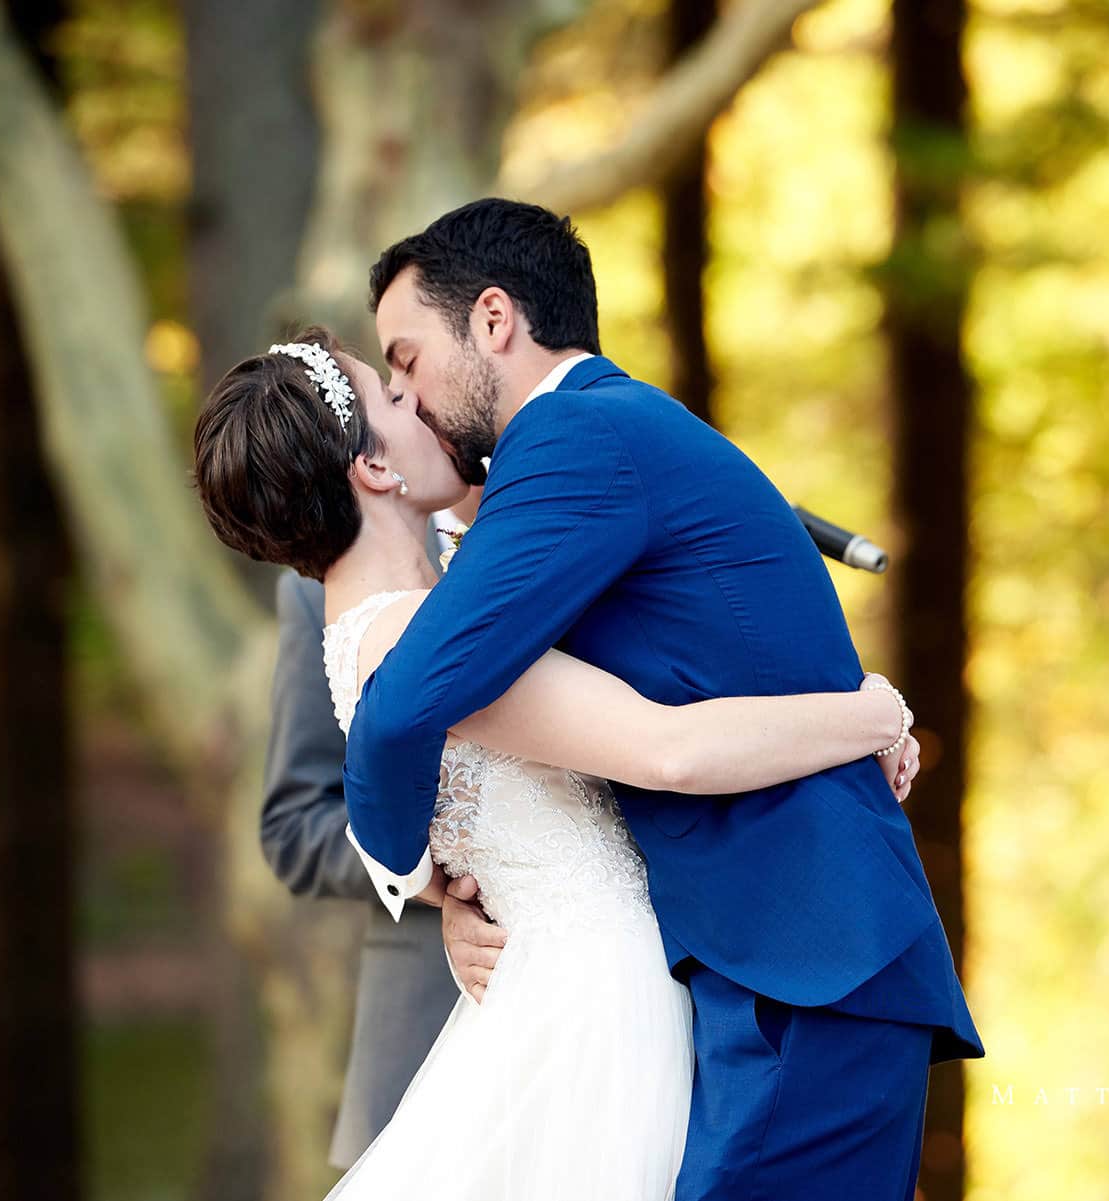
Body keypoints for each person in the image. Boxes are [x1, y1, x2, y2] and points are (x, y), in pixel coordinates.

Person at [192, 325, 922, 1201]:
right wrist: (871, 710)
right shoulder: (426, 642)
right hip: (600, 1009)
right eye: (391, 397)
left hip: (607, 977)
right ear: (375, 471)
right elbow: (667, 748)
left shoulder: (432, 598)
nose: (415, 397)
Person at [346, 198, 983, 1201]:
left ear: (496, 321)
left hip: (803, 960)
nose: (404, 394)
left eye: (408, 358)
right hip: (768, 962)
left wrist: (420, 874)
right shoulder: (606, 434)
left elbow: (403, 700)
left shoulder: (572, 443)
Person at [259, 561, 455, 1169]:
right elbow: (293, 825)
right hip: (419, 1030)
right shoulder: (315, 589)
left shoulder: (572, 521)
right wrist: (435, 872)